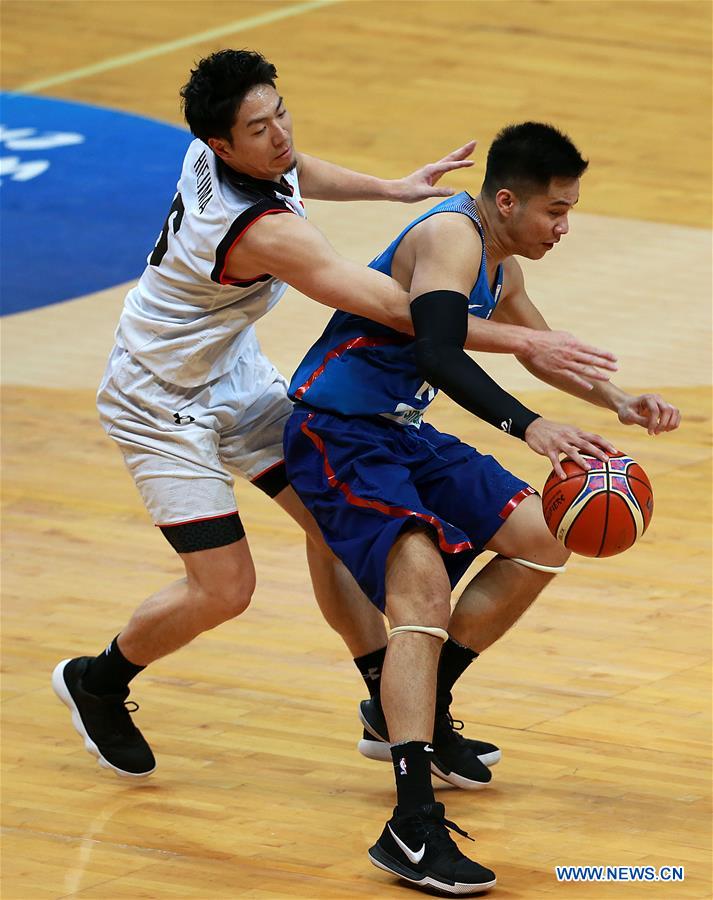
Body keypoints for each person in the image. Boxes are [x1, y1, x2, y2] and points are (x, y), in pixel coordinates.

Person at [51, 50, 618, 783]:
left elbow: (298, 169)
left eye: (279, 112)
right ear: (223, 145)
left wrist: (389, 188)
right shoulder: (260, 232)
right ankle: (98, 681)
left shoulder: (229, 147)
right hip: (157, 399)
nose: (279, 135)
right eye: (258, 129)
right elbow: (396, 311)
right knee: (225, 589)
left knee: (335, 521)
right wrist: (524, 336)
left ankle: (386, 697)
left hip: (234, 373)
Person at [283, 121, 680, 893]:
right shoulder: (450, 240)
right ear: (506, 201)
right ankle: (410, 826)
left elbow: (538, 342)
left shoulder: (502, 262)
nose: (564, 227)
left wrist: (619, 400)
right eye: (554, 213)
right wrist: (529, 426)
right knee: (421, 594)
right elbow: (435, 348)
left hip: (399, 429)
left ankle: (422, 711)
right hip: (339, 431)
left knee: (546, 536)